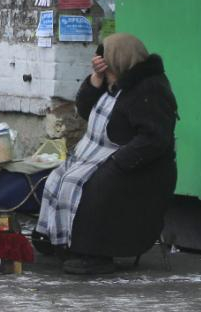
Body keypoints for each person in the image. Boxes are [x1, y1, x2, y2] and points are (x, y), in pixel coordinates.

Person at [35, 33, 178, 275]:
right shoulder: (113, 82)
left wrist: (118, 161)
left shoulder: (150, 88)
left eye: (107, 68)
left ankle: (93, 253)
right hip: (97, 154)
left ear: (120, 63)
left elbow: (154, 138)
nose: (107, 75)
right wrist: (96, 79)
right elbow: (84, 108)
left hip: (141, 168)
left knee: (92, 185)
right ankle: (59, 240)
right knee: (59, 177)